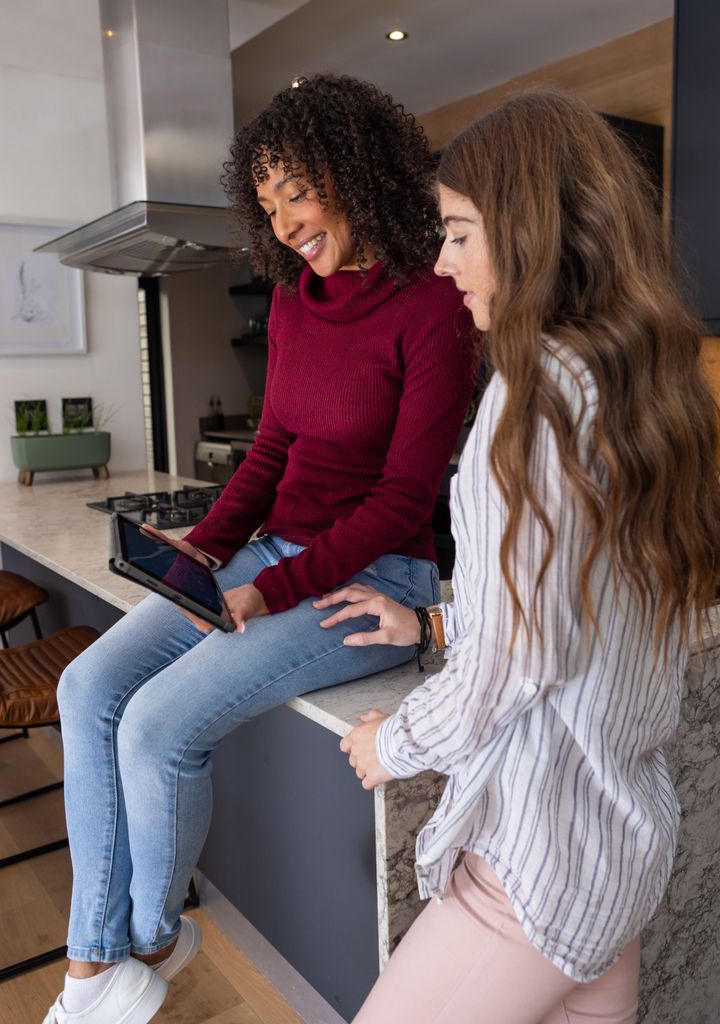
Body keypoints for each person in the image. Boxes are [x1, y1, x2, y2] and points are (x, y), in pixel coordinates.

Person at [44, 74, 475, 1024]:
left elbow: (406, 495)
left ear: (357, 174)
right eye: (268, 201)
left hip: (373, 581)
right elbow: (272, 448)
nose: (284, 223)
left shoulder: (432, 308)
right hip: (272, 554)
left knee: (158, 728)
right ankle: (95, 963)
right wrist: (203, 547)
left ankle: (150, 939)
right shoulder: (292, 301)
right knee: (87, 688)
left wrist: (273, 588)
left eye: (299, 192)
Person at [320, 88, 720, 1024]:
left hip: (533, 870)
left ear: (532, 228)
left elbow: (517, 660)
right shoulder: (637, 384)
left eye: (459, 231)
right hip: (618, 854)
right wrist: (435, 620)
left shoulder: (529, 401)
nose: (442, 260)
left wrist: (393, 742)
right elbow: (589, 601)